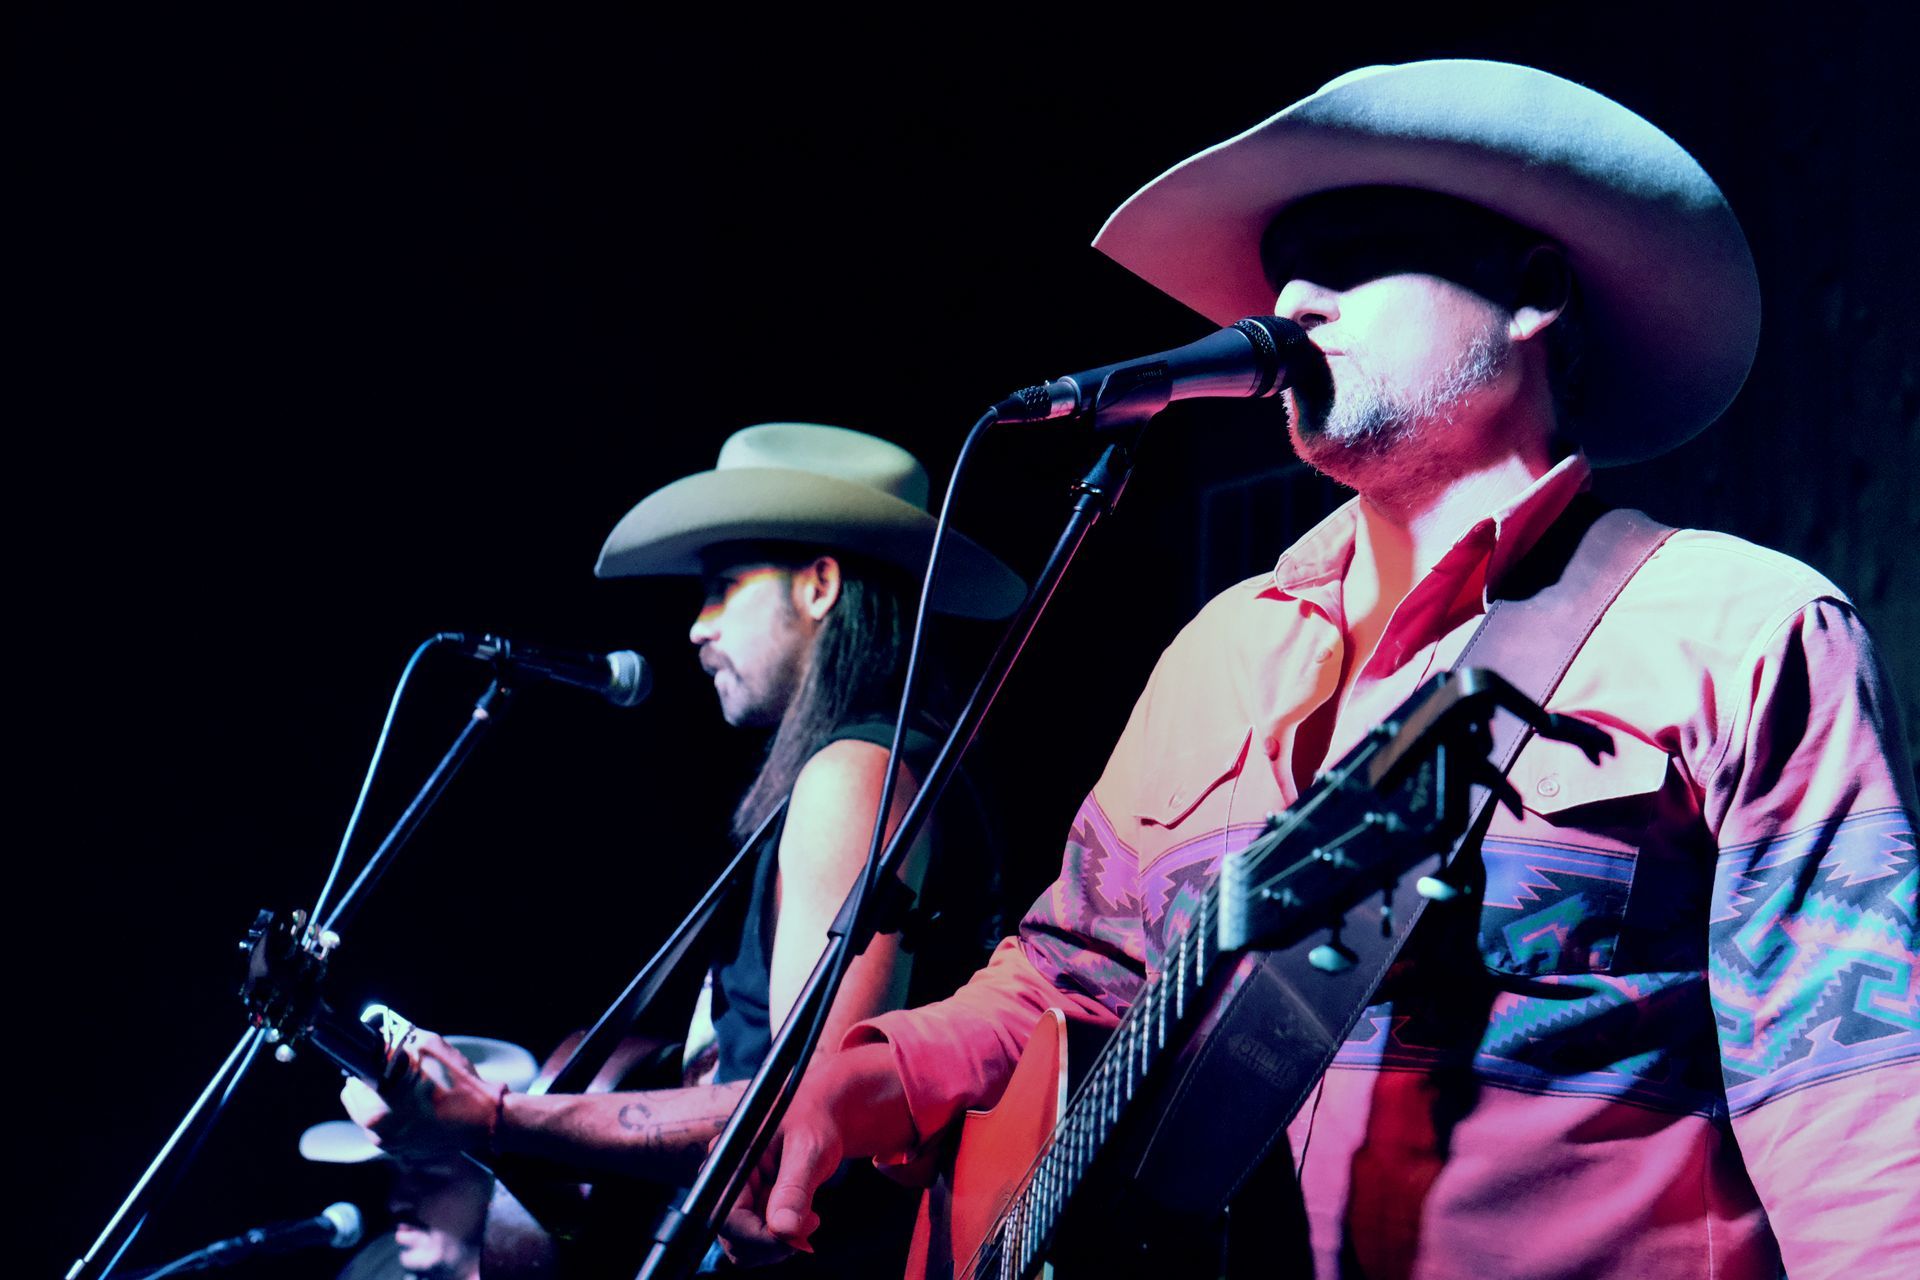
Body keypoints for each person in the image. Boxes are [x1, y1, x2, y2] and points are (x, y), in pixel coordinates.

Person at [723, 61, 1920, 1278]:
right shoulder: (1219, 651)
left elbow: (1856, 1110)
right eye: (1286, 265)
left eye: (1354, 253)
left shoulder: (1741, 630)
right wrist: (867, 1075)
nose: (1293, 297)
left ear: (1536, 294)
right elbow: (1069, 974)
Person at [343, 422, 1025, 1274]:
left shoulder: (853, 772)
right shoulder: (873, 764)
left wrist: (497, 1117)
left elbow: (807, 1120)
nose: (697, 629)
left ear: (818, 586)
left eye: (723, 588)